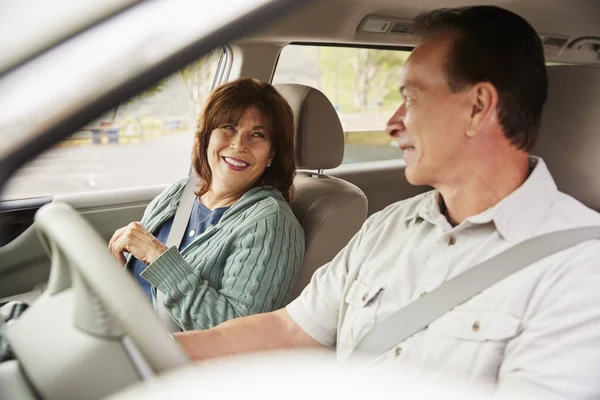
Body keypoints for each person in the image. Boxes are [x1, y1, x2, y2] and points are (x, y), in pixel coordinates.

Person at [174, 6, 600, 399]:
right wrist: (158, 355)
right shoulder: (388, 227)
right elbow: (288, 329)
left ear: (478, 107)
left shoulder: (580, 267)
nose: (392, 122)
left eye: (411, 98)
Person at [108, 77, 305, 331]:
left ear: (271, 155)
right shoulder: (181, 192)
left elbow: (236, 336)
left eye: (257, 135)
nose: (238, 145)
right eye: (228, 127)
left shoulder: (271, 223)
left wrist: (157, 256)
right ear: (207, 137)